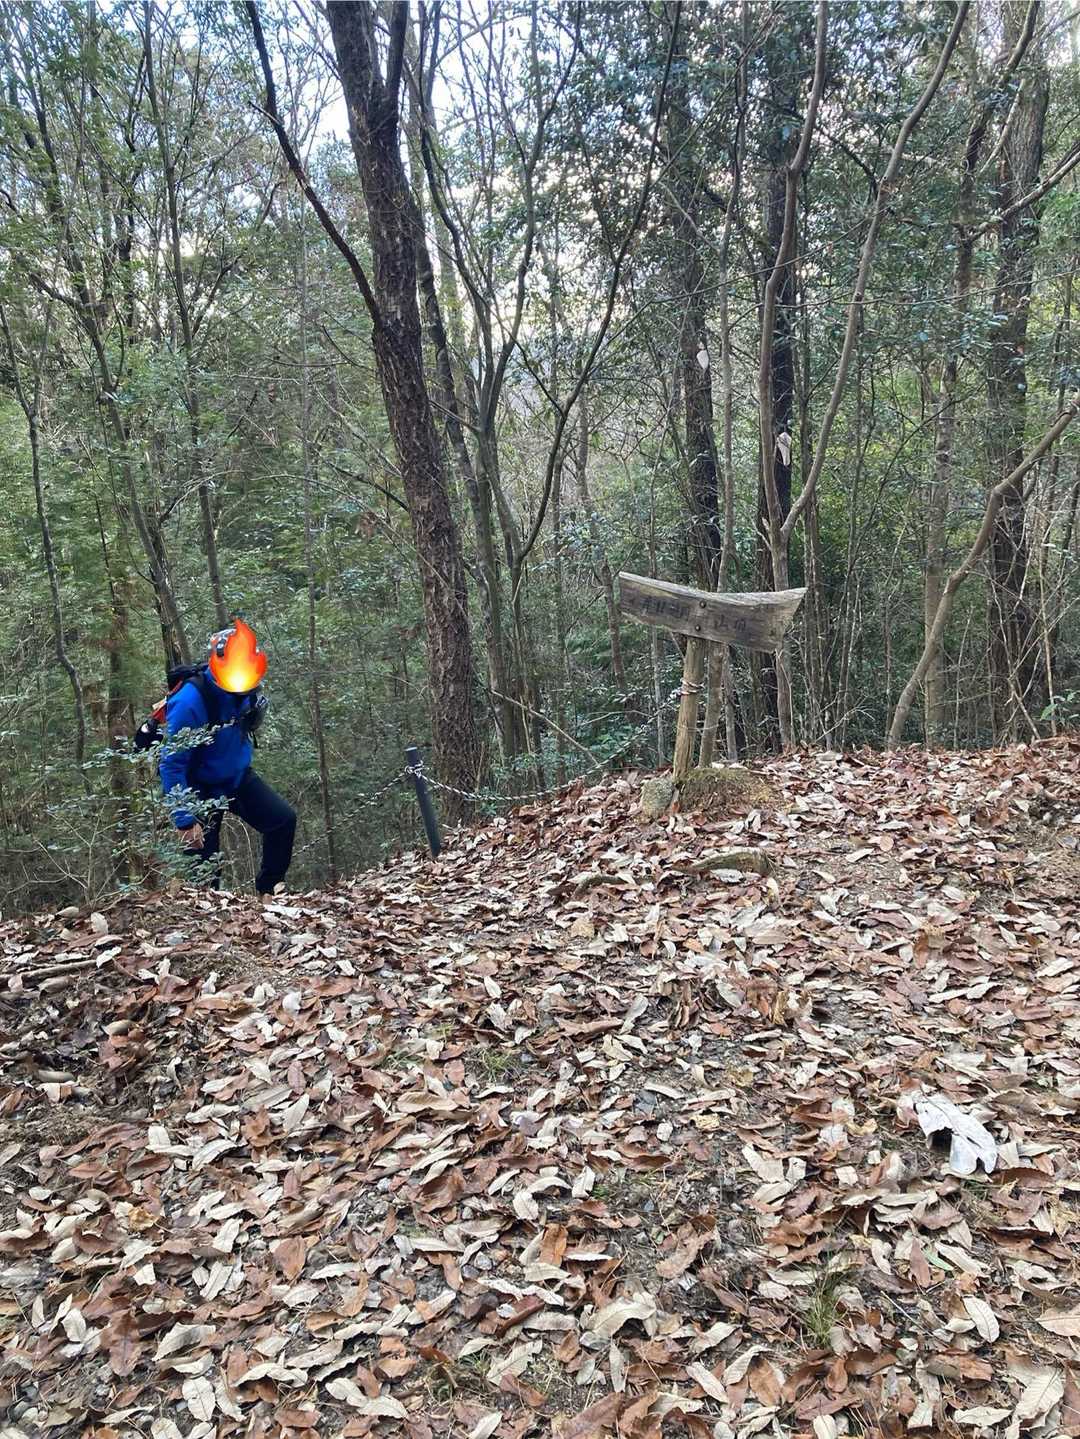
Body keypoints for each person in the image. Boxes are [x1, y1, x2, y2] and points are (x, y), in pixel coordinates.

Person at [159, 627, 296, 894]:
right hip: (197, 788)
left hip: (236, 778)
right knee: (204, 875)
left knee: (282, 821)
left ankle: (270, 893)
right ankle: (207, 912)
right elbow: (171, 763)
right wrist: (184, 818)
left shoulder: (249, 686)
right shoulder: (189, 702)